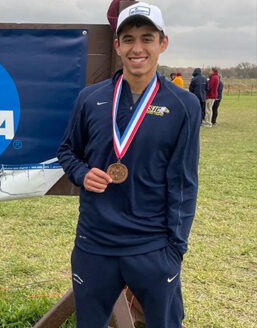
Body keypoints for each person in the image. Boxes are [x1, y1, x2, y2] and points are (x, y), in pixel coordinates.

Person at [57, 2, 201, 327]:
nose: (138, 48)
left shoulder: (184, 105)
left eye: (147, 38)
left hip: (152, 247)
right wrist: (81, 173)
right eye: (129, 38)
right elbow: (67, 150)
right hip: (94, 244)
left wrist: (175, 249)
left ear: (163, 43)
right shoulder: (90, 98)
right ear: (117, 45)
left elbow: (184, 181)